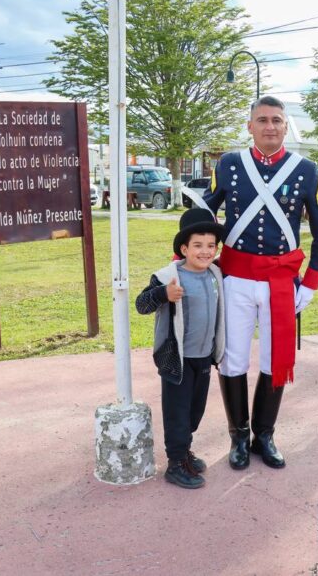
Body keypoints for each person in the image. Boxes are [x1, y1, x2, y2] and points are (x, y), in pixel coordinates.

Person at [203, 95, 318, 470]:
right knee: (233, 359)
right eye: (262, 120)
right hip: (237, 278)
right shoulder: (229, 164)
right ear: (250, 126)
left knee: (277, 359)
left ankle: (265, 434)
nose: (270, 126)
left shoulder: (306, 170)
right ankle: (238, 437)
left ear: (285, 125)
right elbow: (204, 212)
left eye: (277, 120)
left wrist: (310, 283)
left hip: (281, 281)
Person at [134, 208, 226, 489]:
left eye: (211, 246)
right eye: (197, 246)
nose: (205, 251)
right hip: (178, 360)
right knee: (177, 412)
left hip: (203, 358)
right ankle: (175, 463)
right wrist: (164, 294)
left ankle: (185, 450)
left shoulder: (215, 274)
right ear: (184, 248)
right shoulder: (168, 276)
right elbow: (141, 304)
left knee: (194, 411)